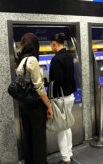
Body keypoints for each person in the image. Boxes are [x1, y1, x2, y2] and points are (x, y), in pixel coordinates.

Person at [16, 33, 53, 164]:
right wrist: (49, 105)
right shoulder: (32, 60)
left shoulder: (21, 60)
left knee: (28, 137)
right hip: (35, 106)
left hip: (24, 105)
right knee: (39, 140)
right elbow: (39, 87)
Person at [49, 33, 76, 164]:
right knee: (66, 126)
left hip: (61, 99)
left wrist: (49, 84)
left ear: (54, 43)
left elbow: (58, 81)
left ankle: (65, 159)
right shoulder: (69, 55)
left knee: (60, 128)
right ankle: (70, 153)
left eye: (51, 45)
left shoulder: (56, 59)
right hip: (70, 96)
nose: (51, 47)